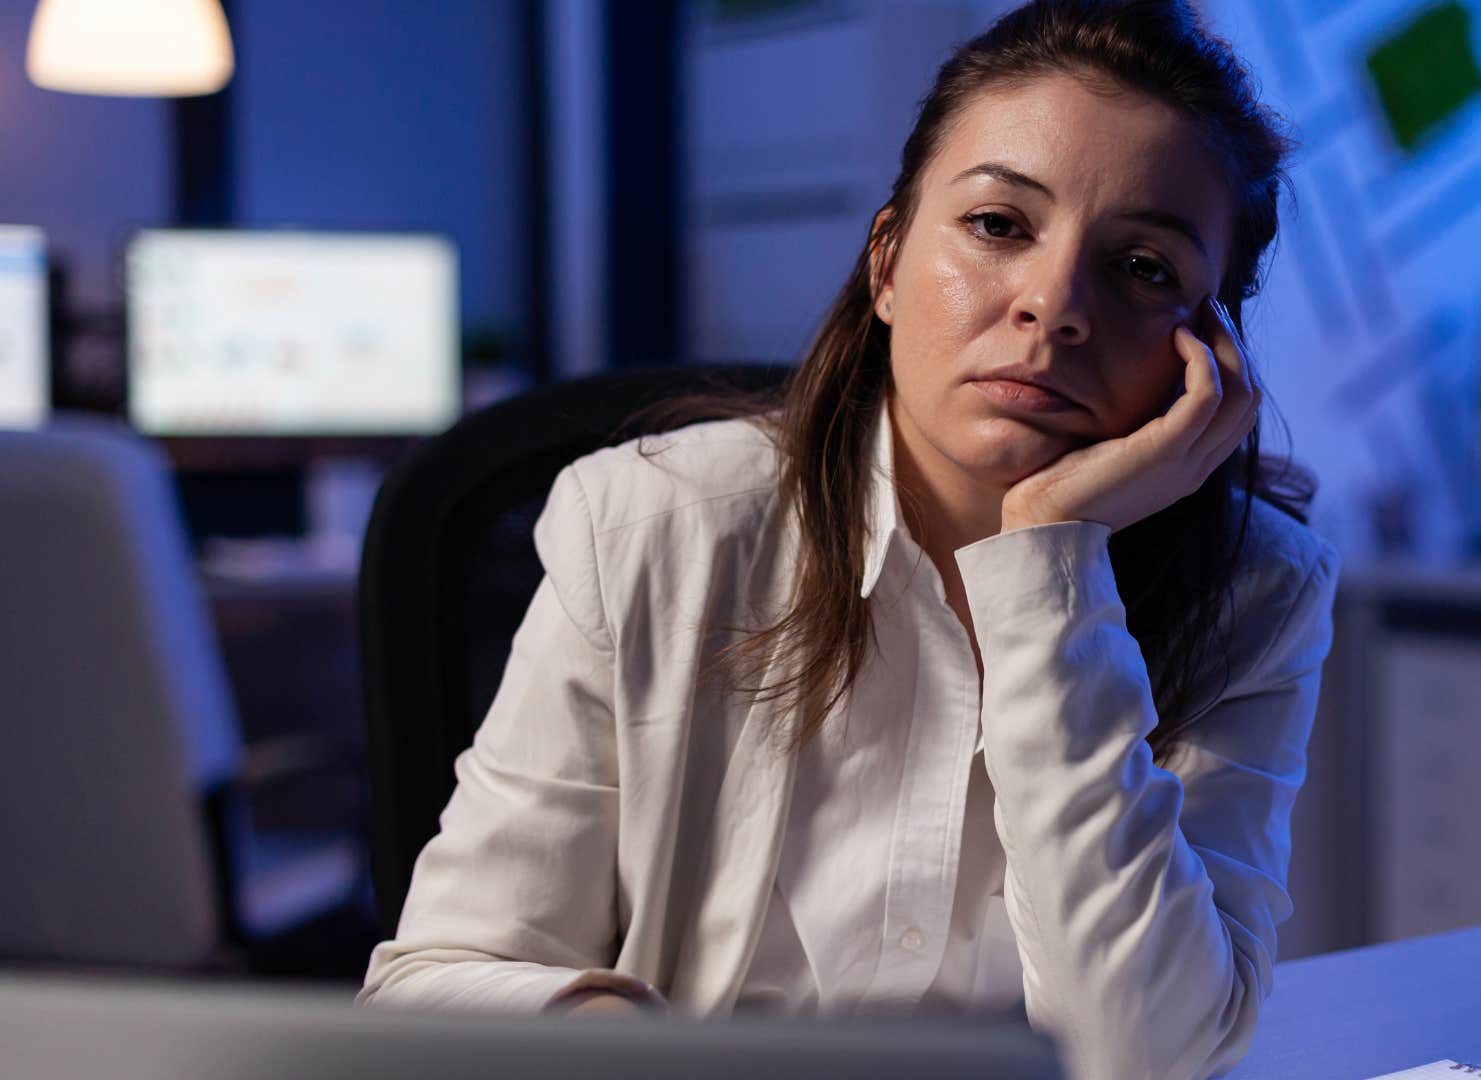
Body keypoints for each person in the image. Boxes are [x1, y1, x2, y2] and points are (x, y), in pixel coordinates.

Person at [360, 2, 1337, 1077]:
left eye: (1144, 267)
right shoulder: (647, 527)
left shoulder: (1255, 591)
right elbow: (430, 982)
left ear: (1210, 357)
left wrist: (1052, 563)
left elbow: (1147, 1055)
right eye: (999, 225)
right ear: (886, 264)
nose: (1054, 306)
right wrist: (622, 1045)